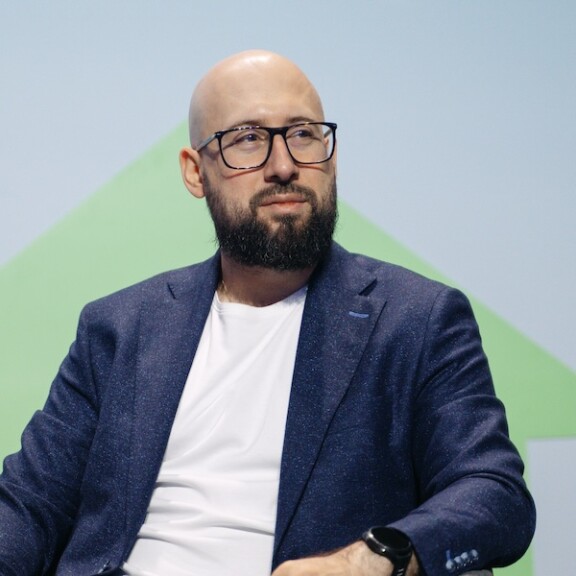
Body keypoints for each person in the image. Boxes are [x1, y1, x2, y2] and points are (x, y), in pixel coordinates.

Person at [0, 50, 535, 576]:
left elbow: (494, 493)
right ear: (195, 172)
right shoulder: (121, 327)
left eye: (303, 134)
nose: (284, 166)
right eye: (248, 139)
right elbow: (28, 504)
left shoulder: (416, 319)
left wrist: (370, 560)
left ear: (331, 157)